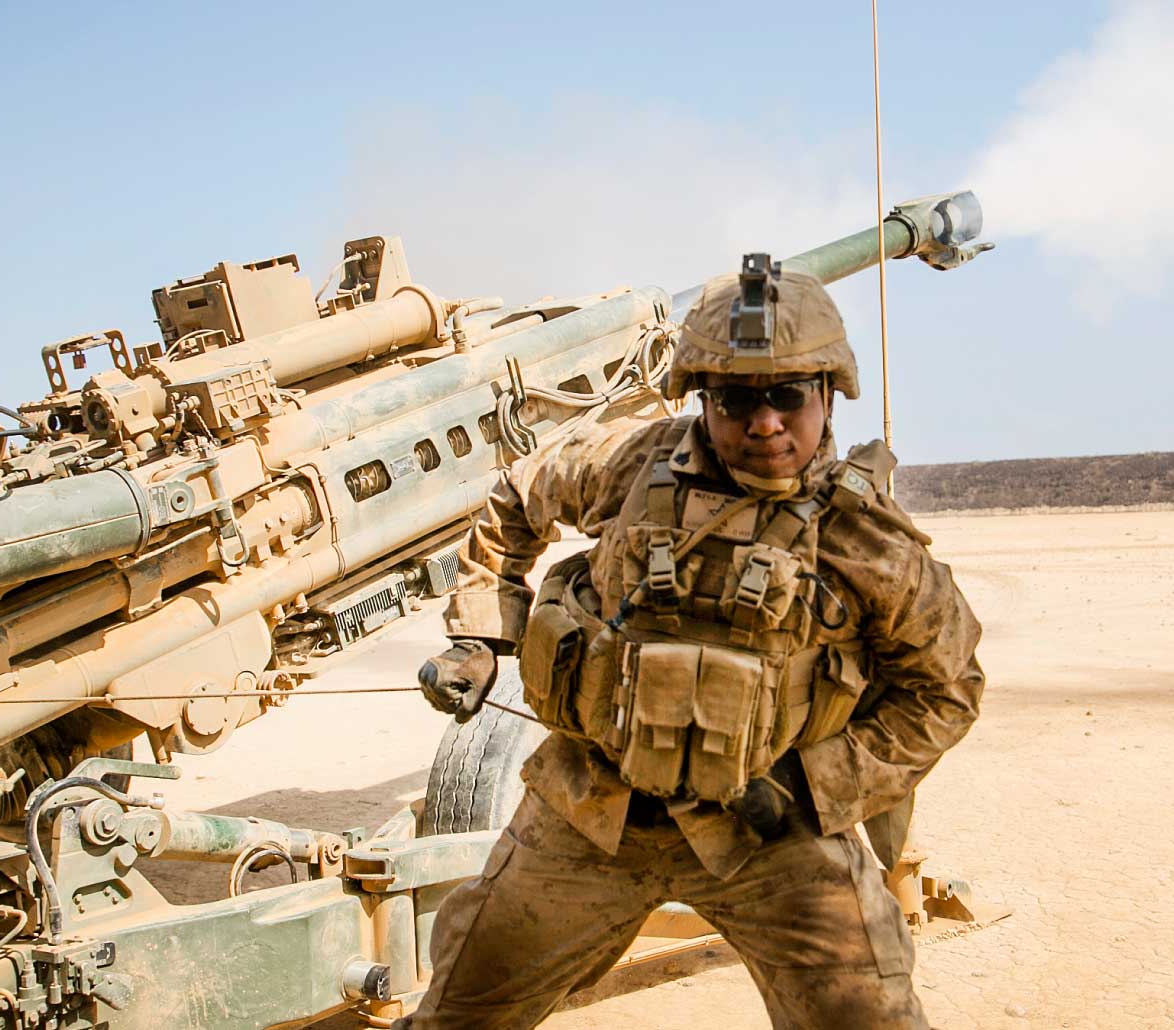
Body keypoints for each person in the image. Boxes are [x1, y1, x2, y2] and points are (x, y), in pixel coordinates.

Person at [402, 257, 985, 1029]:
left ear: (826, 396)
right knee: (461, 1014)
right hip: (594, 812)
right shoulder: (630, 465)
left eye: (787, 397)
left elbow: (946, 690)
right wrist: (481, 633)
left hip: (772, 836)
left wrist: (816, 787)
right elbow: (516, 497)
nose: (765, 423)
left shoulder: (865, 539)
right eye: (738, 400)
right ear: (702, 399)